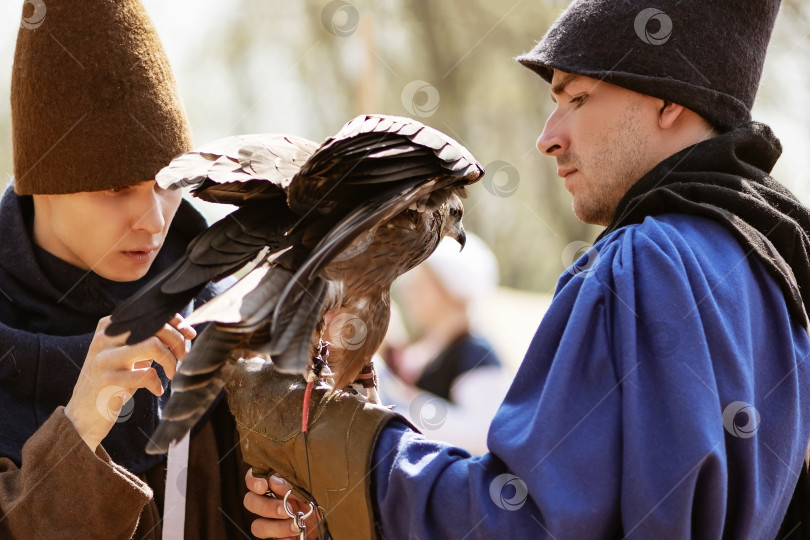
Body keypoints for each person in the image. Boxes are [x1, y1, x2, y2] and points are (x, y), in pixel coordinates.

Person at [236, 0, 810, 538]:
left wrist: (342, 450)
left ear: (669, 100)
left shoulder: (644, 262)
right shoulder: (776, 280)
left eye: (576, 98)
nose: (547, 138)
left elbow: (527, 520)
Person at [0, 0, 254, 537]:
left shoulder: (232, 313)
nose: (153, 220)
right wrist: (82, 423)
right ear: (42, 182)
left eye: (167, 184)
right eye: (116, 190)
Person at [379, 233, 508, 454]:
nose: (410, 294)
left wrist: (407, 406)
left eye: (421, 285)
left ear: (450, 289)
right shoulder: (429, 346)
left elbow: (485, 434)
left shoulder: (475, 353)